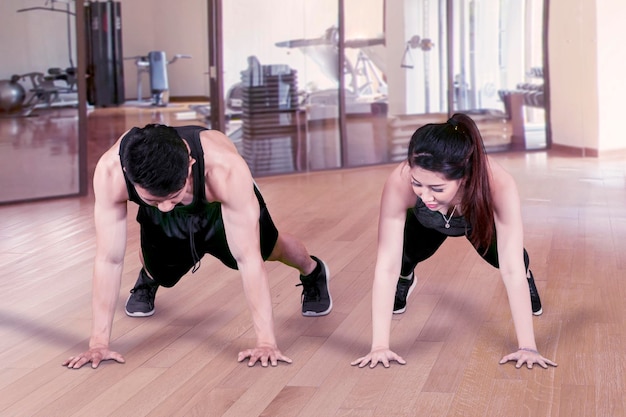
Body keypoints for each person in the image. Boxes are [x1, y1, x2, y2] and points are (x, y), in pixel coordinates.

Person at [63, 124, 331, 369]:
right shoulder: (111, 172)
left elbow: (248, 260)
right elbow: (109, 259)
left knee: (270, 250)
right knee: (158, 266)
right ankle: (150, 277)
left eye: (172, 197)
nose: (166, 207)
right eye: (155, 200)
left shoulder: (226, 170)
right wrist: (98, 344)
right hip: (166, 200)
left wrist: (266, 343)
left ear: (190, 165)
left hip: (218, 205)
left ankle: (312, 271)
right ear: (128, 176)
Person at [352, 113, 557, 370]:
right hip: (428, 222)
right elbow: (386, 265)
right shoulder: (401, 180)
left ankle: (530, 279)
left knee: (508, 258)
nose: (425, 194)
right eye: (418, 184)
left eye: (436, 188)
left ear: (464, 177)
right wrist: (379, 346)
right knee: (402, 257)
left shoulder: (497, 182)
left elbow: (510, 266)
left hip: (476, 219)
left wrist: (527, 347)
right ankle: (407, 278)